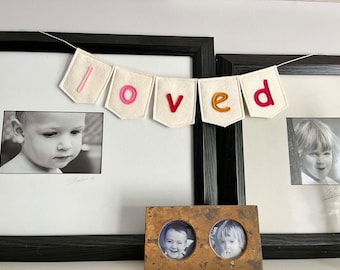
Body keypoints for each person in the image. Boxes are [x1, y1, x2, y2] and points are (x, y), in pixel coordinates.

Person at [0, 111, 86, 173]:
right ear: (20, 132)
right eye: (50, 134)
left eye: (75, 132)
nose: (67, 146)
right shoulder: (9, 175)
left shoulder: (54, 170)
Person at [294, 119, 340, 184]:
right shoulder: (301, 182)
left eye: (326, 153)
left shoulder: (332, 183)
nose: (321, 161)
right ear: (299, 155)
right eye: (313, 154)